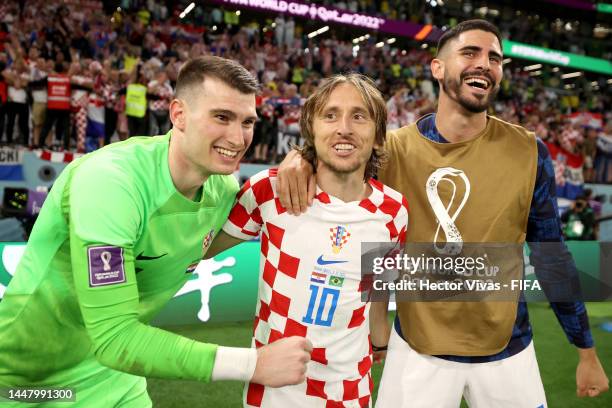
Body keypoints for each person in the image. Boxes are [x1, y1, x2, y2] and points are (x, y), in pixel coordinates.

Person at [277, 20, 609, 407]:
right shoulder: (390, 152)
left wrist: (586, 350)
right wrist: (301, 157)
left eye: (494, 58)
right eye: (470, 53)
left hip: (509, 349)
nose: (484, 63)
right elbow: (376, 237)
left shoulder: (531, 152)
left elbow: (551, 254)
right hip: (415, 349)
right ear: (437, 68)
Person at [0, 56, 311, 407]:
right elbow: (115, 338)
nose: (238, 138)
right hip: (24, 379)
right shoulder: (111, 183)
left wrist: (302, 156)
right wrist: (253, 363)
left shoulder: (222, 188)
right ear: (178, 114)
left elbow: (207, 239)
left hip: (114, 376)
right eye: (221, 117)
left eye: (248, 122)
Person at [205, 73, 408, 407]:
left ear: (378, 136)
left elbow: (376, 286)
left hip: (351, 390)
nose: (344, 127)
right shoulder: (269, 192)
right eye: (330, 115)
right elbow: (199, 250)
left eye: (359, 116)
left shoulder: (393, 210)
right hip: (273, 393)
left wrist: (380, 338)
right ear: (311, 130)